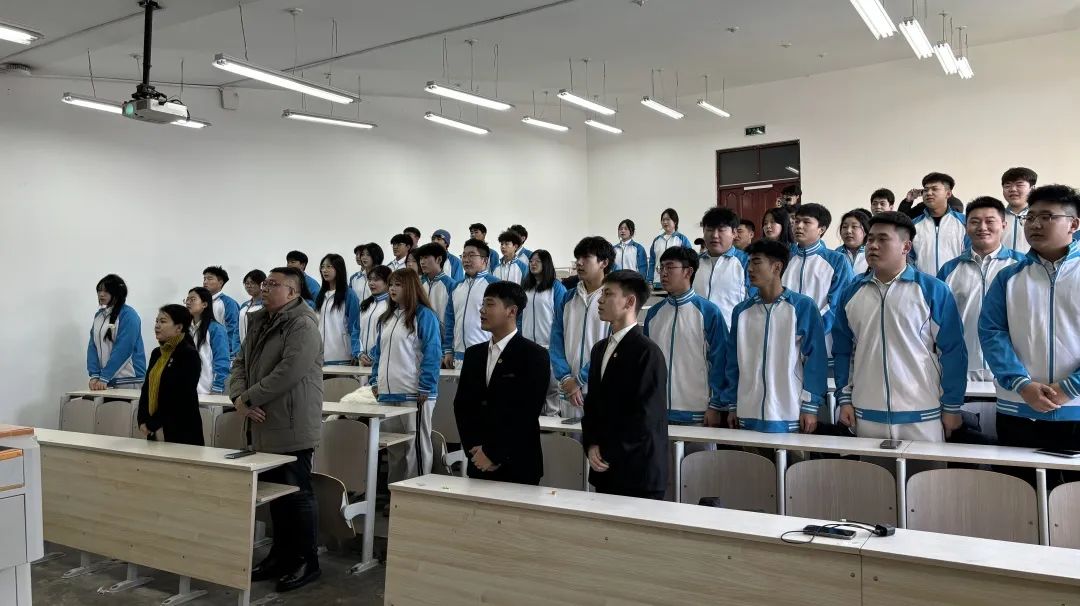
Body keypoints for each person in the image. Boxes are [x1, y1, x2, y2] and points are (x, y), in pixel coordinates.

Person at [229, 266, 323, 592]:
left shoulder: (303, 323)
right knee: (277, 497)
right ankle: (281, 555)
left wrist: (247, 398)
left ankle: (306, 561)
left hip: (292, 421)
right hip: (262, 421)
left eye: (273, 284)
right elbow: (239, 363)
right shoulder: (259, 320)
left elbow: (289, 371)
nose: (265, 288)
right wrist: (238, 398)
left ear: (292, 292)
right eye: (265, 283)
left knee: (297, 494)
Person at [833, 212, 967, 442]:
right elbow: (843, 351)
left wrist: (952, 406)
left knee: (926, 467)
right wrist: (844, 399)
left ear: (906, 247)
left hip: (922, 413)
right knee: (871, 467)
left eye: (883, 239)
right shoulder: (851, 293)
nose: (873, 246)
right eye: (870, 239)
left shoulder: (932, 290)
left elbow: (953, 351)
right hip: (867, 412)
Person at [980, 185, 1080, 480]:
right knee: (1016, 494)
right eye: (1030, 217)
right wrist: (1022, 384)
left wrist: (1071, 387)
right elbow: (992, 332)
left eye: (1047, 217)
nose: (1035, 224)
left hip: (1076, 410)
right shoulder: (1009, 277)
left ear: (1074, 224)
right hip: (1018, 410)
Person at [713, 239, 828, 433]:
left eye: (756, 262)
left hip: (789, 412)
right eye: (749, 262)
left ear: (777, 267)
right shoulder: (741, 311)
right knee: (751, 454)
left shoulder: (802, 307)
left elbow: (815, 360)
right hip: (747, 412)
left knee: (790, 455)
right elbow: (733, 362)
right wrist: (732, 404)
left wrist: (810, 406)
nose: (750, 268)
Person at [581, 270, 668, 499]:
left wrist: (608, 451)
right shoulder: (600, 349)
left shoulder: (647, 352)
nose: (600, 300)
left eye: (608, 294)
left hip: (637, 471)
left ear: (630, 302)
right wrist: (591, 444)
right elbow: (593, 404)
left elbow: (646, 416)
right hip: (606, 467)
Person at [454, 281, 549, 485]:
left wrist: (493, 454)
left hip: (517, 463)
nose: (482, 310)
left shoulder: (534, 355)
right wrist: (475, 450)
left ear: (511, 311)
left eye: (489, 304)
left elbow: (526, 413)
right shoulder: (474, 354)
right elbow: (462, 406)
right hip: (478, 460)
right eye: (483, 304)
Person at [938, 197, 1025, 381]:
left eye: (990, 221)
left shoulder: (1023, 266)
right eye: (975, 222)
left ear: (1004, 225)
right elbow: (938, 321)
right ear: (965, 227)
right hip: (963, 367)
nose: (982, 227)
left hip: (1014, 370)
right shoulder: (949, 269)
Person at [369, 268, 442, 480]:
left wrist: (426, 385)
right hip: (387, 393)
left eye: (398, 285)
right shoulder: (386, 318)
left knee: (415, 446)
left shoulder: (424, 315)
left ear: (410, 287)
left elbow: (433, 352)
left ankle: (417, 491)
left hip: (414, 392)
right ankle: (396, 491)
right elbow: (379, 354)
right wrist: (375, 381)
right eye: (391, 284)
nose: (392, 288)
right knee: (395, 449)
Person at [644, 247, 727, 425]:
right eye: (661, 268)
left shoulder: (709, 312)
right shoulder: (653, 313)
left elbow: (720, 361)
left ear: (688, 271)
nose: (663, 273)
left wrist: (715, 405)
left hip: (697, 412)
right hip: (657, 411)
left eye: (670, 267)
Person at [551, 236, 615, 419]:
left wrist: (579, 380)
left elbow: (611, 344)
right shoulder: (568, 298)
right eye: (577, 257)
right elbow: (556, 341)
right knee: (570, 437)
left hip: (599, 389)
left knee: (599, 436)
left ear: (604, 262)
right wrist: (566, 379)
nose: (579, 262)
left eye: (586, 257)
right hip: (569, 391)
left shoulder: (613, 299)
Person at [783, 203, 854, 356]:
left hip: (823, 342)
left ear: (821, 229)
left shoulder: (837, 260)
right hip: (786, 342)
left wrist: (809, 332)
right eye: (796, 221)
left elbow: (837, 305)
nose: (799, 226)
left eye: (806, 222)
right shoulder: (785, 259)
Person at [137, 304, 203, 445]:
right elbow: (146, 388)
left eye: (163, 321)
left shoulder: (188, 355)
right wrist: (142, 419)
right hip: (154, 428)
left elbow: (181, 397)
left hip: (181, 430)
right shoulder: (157, 353)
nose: (157, 325)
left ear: (179, 328)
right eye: (156, 321)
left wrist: (153, 423)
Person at [521, 249, 568, 415]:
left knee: (551, 391)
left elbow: (562, 319)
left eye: (537, 261)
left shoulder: (557, 287)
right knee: (530, 389)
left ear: (546, 264)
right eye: (531, 261)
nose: (532, 263)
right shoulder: (526, 287)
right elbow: (520, 317)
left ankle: (551, 423)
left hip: (548, 347)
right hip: (528, 347)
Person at [445, 239, 500, 368]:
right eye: (464, 256)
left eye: (471, 255)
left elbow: (502, 321)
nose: (466, 260)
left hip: (486, 355)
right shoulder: (456, 287)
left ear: (484, 260)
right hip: (459, 356)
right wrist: (448, 350)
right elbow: (450, 320)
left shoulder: (495, 285)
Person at [693, 207, 752, 327]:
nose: (715, 235)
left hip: (730, 333)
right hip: (696, 332)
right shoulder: (694, 263)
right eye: (710, 229)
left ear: (734, 233)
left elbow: (754, 302)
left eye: (721, 230)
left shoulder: (746, 262)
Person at [87, 274, 146, 390]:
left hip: (129, 380)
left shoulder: (129, 315)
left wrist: (105, 376)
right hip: (105, 381)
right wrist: (94, 374)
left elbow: (124, 349)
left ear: (117, 293)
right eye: (99, 290)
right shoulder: (99, 316)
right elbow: (92, 347)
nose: (101, 294)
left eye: (106, 291)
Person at [908, 173, 969, 276]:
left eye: (934, 189)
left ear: (948, 194)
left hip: (957, 283)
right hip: (923, 284)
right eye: (925, 190)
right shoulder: (913, 225)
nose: (928, 193)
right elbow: (908, 257)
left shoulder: (965, 222)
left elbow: (971, 254)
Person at [315, 254, 360, 365]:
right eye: (322, 267)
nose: (324, 270)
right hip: (319, 356)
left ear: (338, 269)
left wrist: (356, 352)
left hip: (341, 355)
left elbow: (355, 326)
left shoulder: (349, 294)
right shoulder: (320, 295)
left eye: (329, 266)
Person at [185, 287, 231, 395]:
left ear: (204, 304)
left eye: (192, 299)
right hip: (186, 390)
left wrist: (217, 387)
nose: (188, 303)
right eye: (187, 300)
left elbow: (222, 360)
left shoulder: (216, 329)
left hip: (207, 391)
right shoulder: (185, 329)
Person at [414, 242, 456, 340]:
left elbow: (453, 319)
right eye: (421, 258)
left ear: (439, 259)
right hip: (420, 339)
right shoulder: (419, 284)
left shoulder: (451, 285)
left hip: (443, 341)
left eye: (426, 257)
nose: (422, 262)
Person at [647, 208, 693, 287]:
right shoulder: (657, 240)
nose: (665, 222)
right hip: (658, 282)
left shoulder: (682, 239)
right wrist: (649, 280)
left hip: (677, 282)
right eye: (663, 220)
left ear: (675, 221)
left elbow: (690, 260)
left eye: (668, 219)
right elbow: (652, 262)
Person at [203, 266, 240, 357]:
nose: (205, 282)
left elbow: (233, 330)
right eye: (204, 279)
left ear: (220, 282)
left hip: (221, 353)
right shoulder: (200, 303)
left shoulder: (229, 303)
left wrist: (228, 352)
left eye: (210, 279)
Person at [1001, 167, 1038, 254]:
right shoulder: (997, 217)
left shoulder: (1040, 217)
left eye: (1019, 185)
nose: (1013, 189)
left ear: (1032, 189)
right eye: (1007, 186)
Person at [358, 266, 391, 366]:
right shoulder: (365, 305)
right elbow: (356, 330)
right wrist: (359, 353)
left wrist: (372, 355)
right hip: (362, 361)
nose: (371, 283)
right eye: (369, 279)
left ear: (387, 282)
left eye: (376, 280)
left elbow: (387, 335)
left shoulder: (391, 306)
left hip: (381, 361)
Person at [836, 209, 871, 275]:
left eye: (854, 226)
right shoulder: (836, 254)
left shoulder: (872, 253)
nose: (848, 231)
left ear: (865, 231)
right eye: (845, 227)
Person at [238, 269, 266, 344]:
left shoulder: (265, 306)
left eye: (252, 283)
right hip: (241, 349)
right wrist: (236, 348)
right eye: (246, 283)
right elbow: (237, 330)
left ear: (261, 284)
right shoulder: (244, 305)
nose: (249, 286)